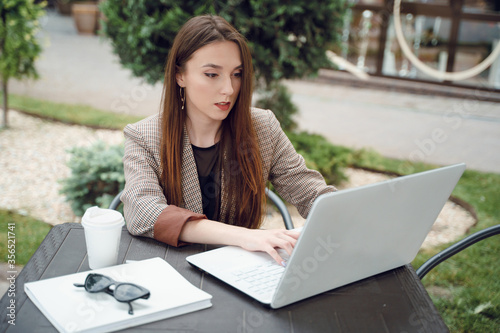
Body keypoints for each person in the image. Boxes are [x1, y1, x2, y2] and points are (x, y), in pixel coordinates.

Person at [122, 15, 336, 266]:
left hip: (240, 273)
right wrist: (244, 236)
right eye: (212, 74)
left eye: (237, 74)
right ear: (180, 76)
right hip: (171, 270)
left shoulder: (262, 127)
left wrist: (345, 217)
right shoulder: (144, 136)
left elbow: (311, 193)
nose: (229, 89)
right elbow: (142, 211)